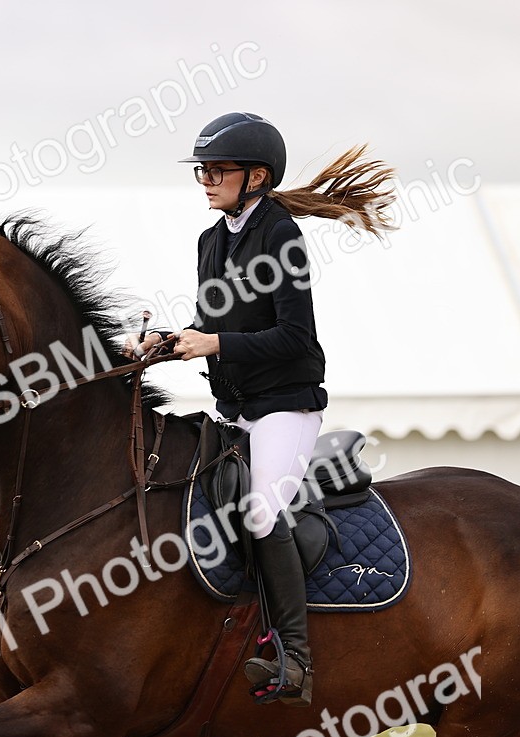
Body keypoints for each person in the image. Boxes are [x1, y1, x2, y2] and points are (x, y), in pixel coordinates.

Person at [134, 112, 394, 705]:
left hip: (284, 409)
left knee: (259, 512)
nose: (205, 179)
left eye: (216, 170)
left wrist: (215, 343)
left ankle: (295, 657)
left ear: (255, 176)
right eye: (202, 170)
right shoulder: (212, 239)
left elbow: (295, 336)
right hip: (235, 408)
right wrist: (169, 343)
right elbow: (215, 324)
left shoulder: (281, 236)